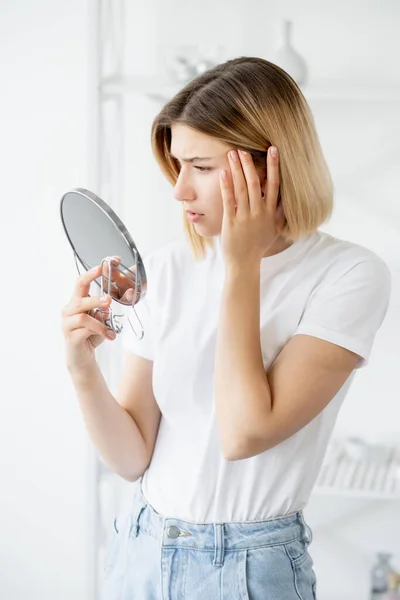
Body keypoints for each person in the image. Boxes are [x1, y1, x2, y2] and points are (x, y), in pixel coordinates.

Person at [62, 57, 392, 599]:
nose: (180, 191)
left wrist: (241, 266)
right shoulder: (168, 268)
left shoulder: (350, 276)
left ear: (270, 167)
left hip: (250, 569)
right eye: (178, 165)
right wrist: (81, 368)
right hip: (143, 550)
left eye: (202, 166)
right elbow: (131, 458)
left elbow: (244, 432)